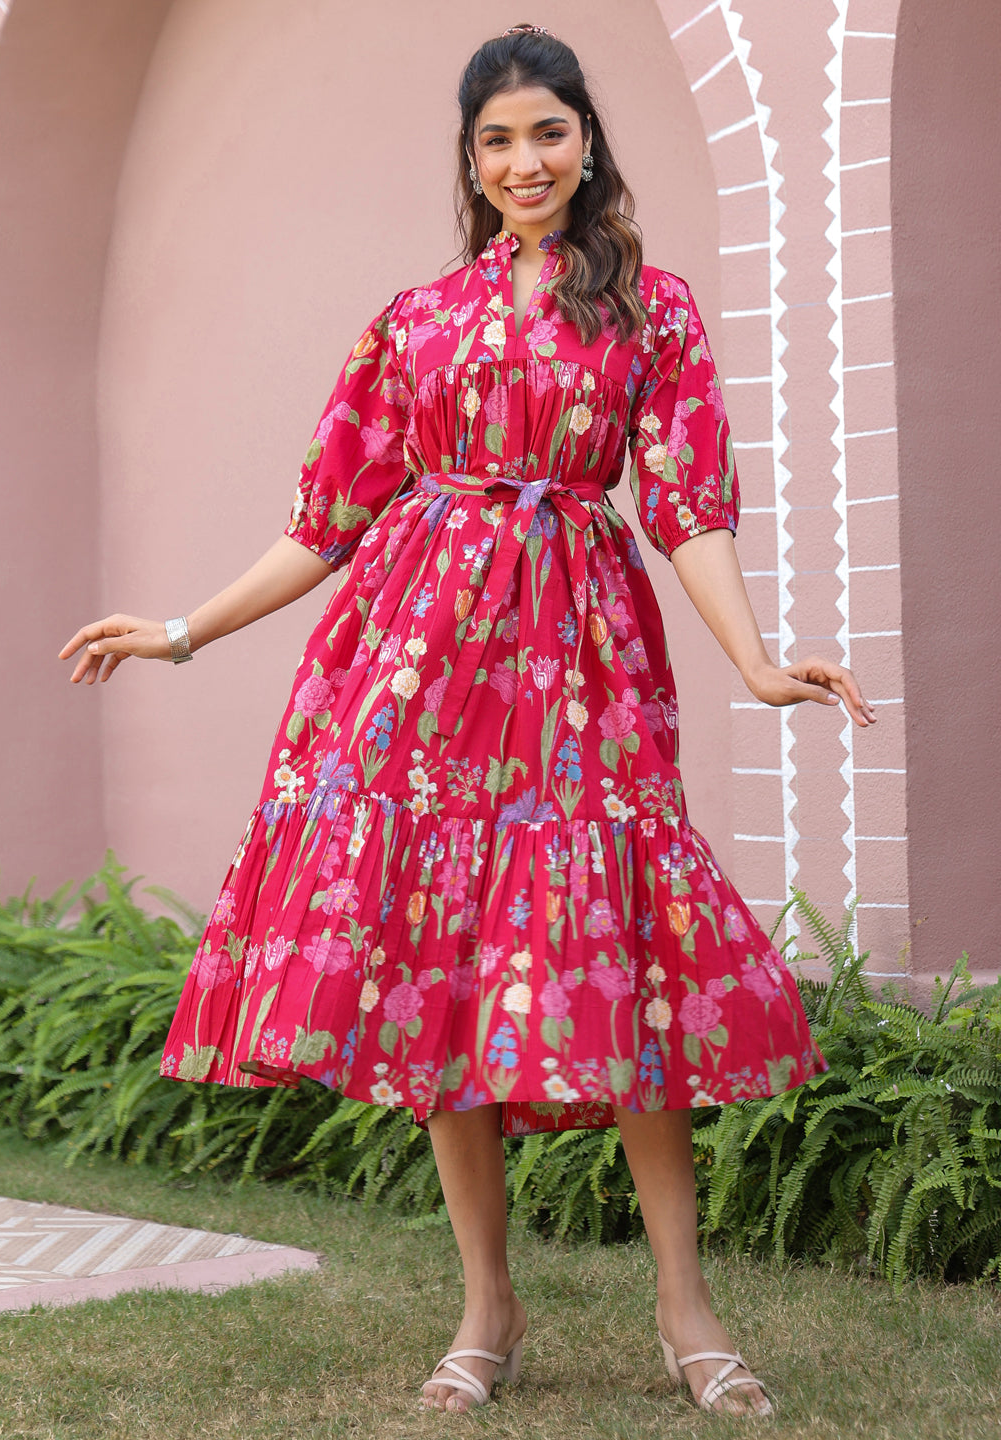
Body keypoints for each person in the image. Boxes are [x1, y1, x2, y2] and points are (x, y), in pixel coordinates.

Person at [60, 24, 875, 1419]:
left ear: (585, 142)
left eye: (548, 132)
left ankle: (688, 1308)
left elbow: (683, 504)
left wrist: (751, 662)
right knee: (447, 969)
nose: (525, 161)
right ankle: (486, 1303)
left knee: (612, 947)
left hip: (581, 668)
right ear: (470, 157)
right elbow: (327, 521)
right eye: (498, 139)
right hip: (416, 671)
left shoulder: (651, 312)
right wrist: (185, 629)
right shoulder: (418, 320)